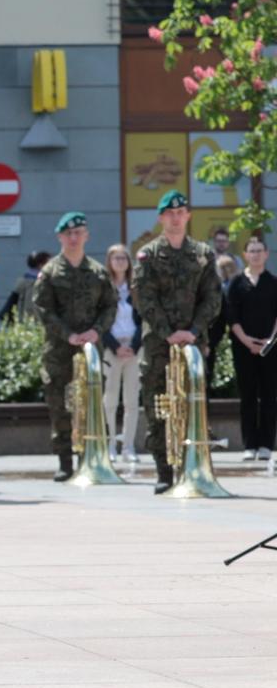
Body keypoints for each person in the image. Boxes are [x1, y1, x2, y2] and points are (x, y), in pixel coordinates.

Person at [134, 191, 223, 493]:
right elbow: (143, 298)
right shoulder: (147, 255)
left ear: (188, 216)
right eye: (169, 213)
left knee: (193, 402)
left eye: (181, 212)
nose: (175, 217)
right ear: (161, 217)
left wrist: (194, 330)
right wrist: (167, 331)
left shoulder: (203, 253)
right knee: (159, 404)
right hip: (159, 342)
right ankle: (163, 470)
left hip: (193, 342)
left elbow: (212, 297)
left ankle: (193, 464)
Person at [31, 213, 117, 482]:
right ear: (60, 237)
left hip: (90, 350)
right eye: (68, 233)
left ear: (86, 235)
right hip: (59, 350)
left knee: (91, 404)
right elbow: (43, 309)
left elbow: (110, 307)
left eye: (78, 232)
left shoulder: (98, 272)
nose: (73, 237)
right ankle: (65, 461)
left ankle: (90, 458)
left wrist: (96, 331)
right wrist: (67, 335)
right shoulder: (50, 272)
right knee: (60, 407)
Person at [228, 238, 277, 461]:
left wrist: (269, 341)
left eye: (259, 251)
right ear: (246, 255)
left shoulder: (273, 282)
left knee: (269, 396)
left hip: (271, 348)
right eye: (251, 251)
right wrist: (247, 341)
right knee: (247, 396)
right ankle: (249, 445)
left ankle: (267, 445)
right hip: (243, 348)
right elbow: (232, 318)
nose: (256, 255)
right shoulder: (236, 283)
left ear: (266, 254)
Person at [103, 243, 143, 463]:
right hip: (113, 349)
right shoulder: (104, 288)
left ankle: (128, 446)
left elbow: (142, 320)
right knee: (110, 399)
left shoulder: (136, 288)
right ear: (109, 262)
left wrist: (134, 346)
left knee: (131, 400)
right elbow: (99, 322)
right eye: (115, 258)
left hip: (133, 350)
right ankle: (110, 444)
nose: (120, 262)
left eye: (123, 258)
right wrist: (115, 346)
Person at [1, 251, 51, 323]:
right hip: (31, 325)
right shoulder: (33, 283)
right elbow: (30, 308)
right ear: (40, 265)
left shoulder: (25, 280)